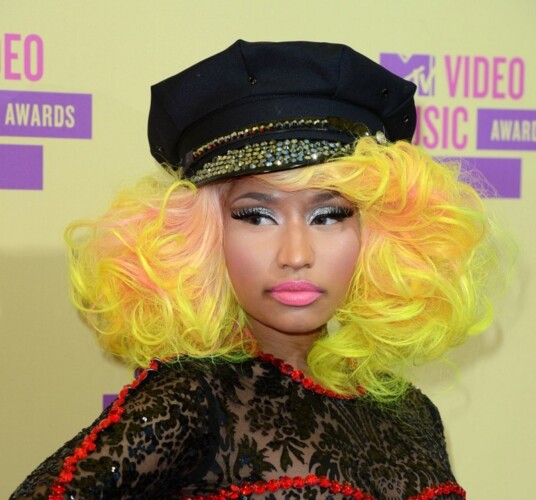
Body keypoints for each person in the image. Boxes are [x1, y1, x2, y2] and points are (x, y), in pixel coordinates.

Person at [11, 40, 504, 500]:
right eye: (256, 216)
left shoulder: (414, 414)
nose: (295, 254)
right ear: (203, 236)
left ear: (379, 235)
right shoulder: (192, 402)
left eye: (328, 215)